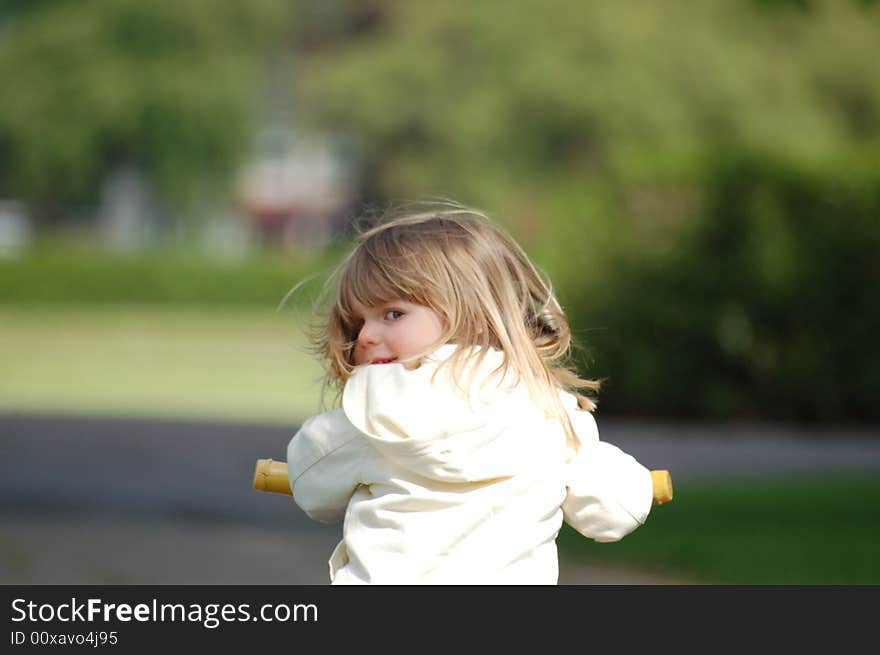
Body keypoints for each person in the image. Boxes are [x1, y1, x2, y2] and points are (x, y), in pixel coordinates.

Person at [286, 203, 655, 584]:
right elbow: (616, 509)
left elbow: (310, 483)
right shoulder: (547, 412)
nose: (364, 336)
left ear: (471, 314)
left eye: (392, 314)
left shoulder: (372, 415)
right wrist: (638, 486)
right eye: (358, 320)